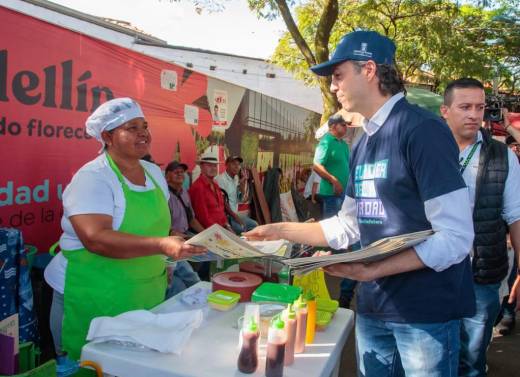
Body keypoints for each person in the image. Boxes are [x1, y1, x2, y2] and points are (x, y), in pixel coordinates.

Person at [245, 30, 476, 377]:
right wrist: (277, 230)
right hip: (374, 308)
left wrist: (370, 270)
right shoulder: (363, 142)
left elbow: (456, 238)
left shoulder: (421, 130)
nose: (333, 86)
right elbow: (347, 226)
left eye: (338, 76)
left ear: (368, 70)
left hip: (423, 314)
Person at [43, 98, 206, 362]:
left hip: (143, 291)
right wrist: (162, 245)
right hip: (92, 293)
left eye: (144, 126)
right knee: (92, 364)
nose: (143, 133)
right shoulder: (93, 177)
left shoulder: (153, 173)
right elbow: (97, 239)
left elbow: (159, 224)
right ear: (107, 136)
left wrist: (167, 261)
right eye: (131, 127)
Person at [440, 78, 520, 376]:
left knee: (472, 360)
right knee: (429, 357)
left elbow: (516, 216)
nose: (474, 114)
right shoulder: (426, 150)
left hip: (481, 274)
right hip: (428, 273)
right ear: (445, 110)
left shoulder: (502, 156)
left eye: (480, 107)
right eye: (465, 107)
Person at [164, 161, 204, 298]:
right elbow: (165, 227)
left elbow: (192, 219)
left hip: (186, 233)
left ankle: (202, 285)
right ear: (167, 175)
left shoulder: (184, 193)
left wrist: (205, 233)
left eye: (182, 172)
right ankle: (198, 291)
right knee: (188, 275)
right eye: (176, 171)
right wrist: (183, 237)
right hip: (172, 238)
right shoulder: (164, 195)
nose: (180, 174)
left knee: (207, 248)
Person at [313, 113, 350, 219]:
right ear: (333, 126)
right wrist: (334, 181)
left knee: (342, 225)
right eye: (343, 125)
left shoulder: (344, 144)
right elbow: (316, 166)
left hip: (344, 193)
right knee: (333, 228)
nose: (346, 127)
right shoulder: (326, 142)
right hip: (332, 194)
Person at [188, 152, 232, 231]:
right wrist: (221, 231)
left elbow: (221, 210)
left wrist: (227, 226)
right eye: (209, 165)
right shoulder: (198, 187)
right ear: (201, 167)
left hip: (221, 228)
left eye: (215, 166)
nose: (213, 168)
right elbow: (203, 217)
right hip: (209, 231)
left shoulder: (215, 185)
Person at [216, 156, 257, 234]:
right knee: (241, 230)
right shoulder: (220, 179)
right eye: (234, 164)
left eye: (238, 165)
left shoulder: (236, 178)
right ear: (226, 165)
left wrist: (242, 185)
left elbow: (240, 199)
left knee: (254, 225)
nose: (236, 167)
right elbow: (223, 204)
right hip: (226, 216)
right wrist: (237, 218)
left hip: (235, 214)